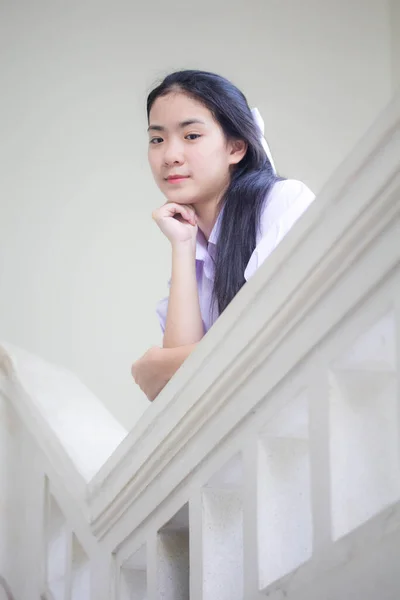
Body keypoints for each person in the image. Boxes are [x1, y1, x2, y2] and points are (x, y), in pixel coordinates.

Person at [131, 70, 315, 401]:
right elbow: (180, 395)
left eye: (191, 136)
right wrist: (183, 246)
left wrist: (160, 365)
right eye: (157, 139)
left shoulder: (282, 202)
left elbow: (281, 332)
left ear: (235, 147)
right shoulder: (193, 250)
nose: (170, 155)